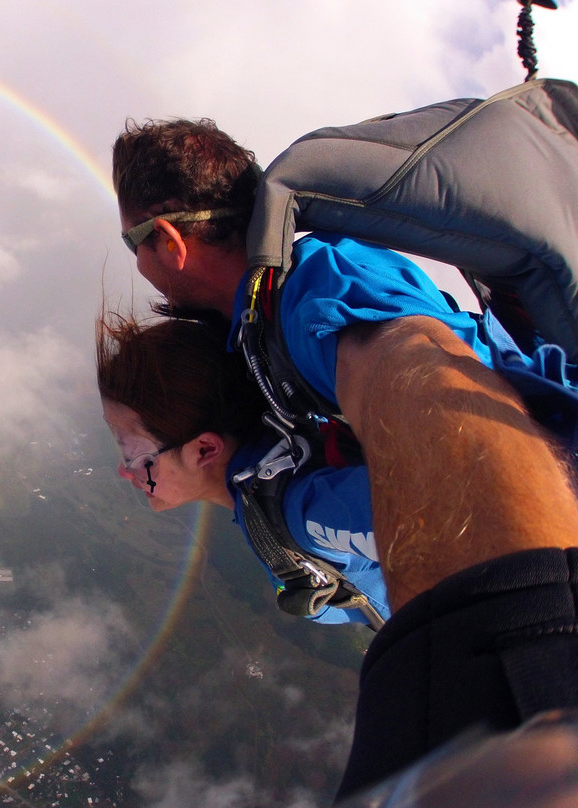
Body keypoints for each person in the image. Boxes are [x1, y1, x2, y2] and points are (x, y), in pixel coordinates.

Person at [111, 118, 578, 800]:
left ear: (171, 240)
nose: (136, 263)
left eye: (133, 242)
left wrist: (507, 676)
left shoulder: (315, 284)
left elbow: (424, 381)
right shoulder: (255, 330)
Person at [96, 311, 387, 625]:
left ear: (204, 449)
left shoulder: (302, 510)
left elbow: (442, 523)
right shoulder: (268, 483)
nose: (124, 471)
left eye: (135, 454)